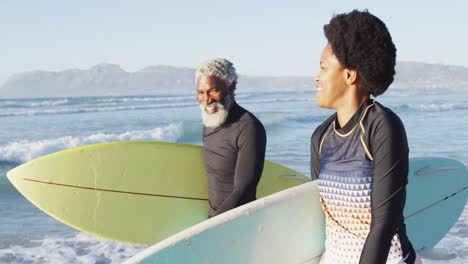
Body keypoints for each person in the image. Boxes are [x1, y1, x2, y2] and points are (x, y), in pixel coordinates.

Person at [310, 10, 421, 264]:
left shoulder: (382, 127)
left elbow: (384, 225)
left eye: (323, 68)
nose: (317, 77)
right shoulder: (321, 137)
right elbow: (322, 218)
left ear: (350, 75)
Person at [195, 58, 267, 218]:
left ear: (231, 86)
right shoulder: (210, 121)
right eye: (200, 93)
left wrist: (211, 228)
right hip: (214, 221)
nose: (206, 100)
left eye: (213, 91)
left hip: (236, 225)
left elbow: (244, 190)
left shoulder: (248, 127)